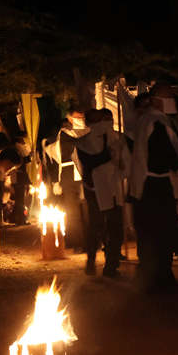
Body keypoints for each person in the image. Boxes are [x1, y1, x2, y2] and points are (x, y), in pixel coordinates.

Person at [129, 81, 178, 292]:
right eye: (169, 97)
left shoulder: (147, 120)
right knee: (162, 230)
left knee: (149, 231)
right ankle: (160, 276)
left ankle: (152, 275)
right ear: (158, 100)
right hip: (156, 184)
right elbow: (164, 151)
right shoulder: (156, 122)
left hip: (144, 184)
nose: (172, 102)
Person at [69, 108, 130, 278]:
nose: (100, 124)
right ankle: (91, 261)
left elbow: (124, 163)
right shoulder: (82, 144)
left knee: (116, 227)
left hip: (113, 188)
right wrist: (109, 152)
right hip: (94, 189)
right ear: (88, 123)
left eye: (101, 120)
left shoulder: (114, 138)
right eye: (95, 121)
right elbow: (90, 163)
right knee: (95, 226)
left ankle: (111, 265)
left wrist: (121, 167)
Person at [43, 105, 89, 250]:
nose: (80, 120)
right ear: (69, 119)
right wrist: (56, 181)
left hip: (87, 173)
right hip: (69, 174)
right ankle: (76, 241)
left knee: (88, 209)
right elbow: (58, 159)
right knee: (72, 210)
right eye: (77, 117)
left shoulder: (90, 132)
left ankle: (91, 240)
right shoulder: (64, 134)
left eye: (82, 117)